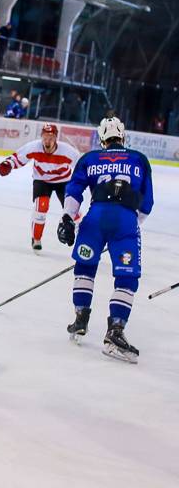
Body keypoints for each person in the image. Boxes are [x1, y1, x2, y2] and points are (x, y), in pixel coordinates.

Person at [58, 117, 153, 363]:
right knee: (127, 277)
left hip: (94, 220)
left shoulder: (89, 158)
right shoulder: (139, 159)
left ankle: (80, 319)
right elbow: (147, 203)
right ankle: (116, 331)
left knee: (85, 269)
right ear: (123, 137)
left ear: (102, 139)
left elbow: (73, 190)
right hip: (125, 221)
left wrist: (68, 217)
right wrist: (128, 227)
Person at [0, 124, 80, 251]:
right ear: (41, 136)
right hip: (42, 180)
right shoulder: (34, 147)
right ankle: (36, 238)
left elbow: (82, 165)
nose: (47, 140)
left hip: (63, 181)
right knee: (41, 205)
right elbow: (18, 157)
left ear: (56, 138)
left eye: (51, 137)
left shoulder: (67, 151)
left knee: (73, 209)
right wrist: (8, 164)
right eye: (45, 137)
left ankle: (84, 236)